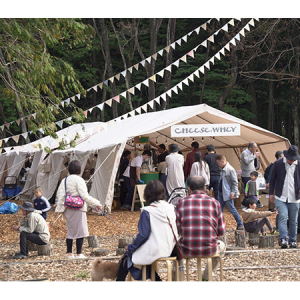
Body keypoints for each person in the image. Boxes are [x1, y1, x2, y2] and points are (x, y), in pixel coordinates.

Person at [116, 180, 179, 281]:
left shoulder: (147, 211)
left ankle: (119, 281)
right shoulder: (171, 208)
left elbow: (143, 235)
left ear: (147, 195)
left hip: (156, 249)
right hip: (170, 248)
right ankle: (157, 280)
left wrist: (132, 247)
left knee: (128, 256)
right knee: (146, 258)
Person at [175, 176, 226, 281]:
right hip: (210, 249)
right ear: (204, 189)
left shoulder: (181, 202)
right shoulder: (215, 203)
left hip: (186, 249)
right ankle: (206, 277)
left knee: (176, 252)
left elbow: (178, 230)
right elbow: (221, 231)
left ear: (188, 189)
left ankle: (178, 278)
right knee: (222, 246)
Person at [55, 160, 102, 258]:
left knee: (70, 230)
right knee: (80, 230)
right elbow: (85, 196)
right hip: (78, 207)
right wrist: (97, 203)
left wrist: (60, 207)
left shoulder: (65, 180)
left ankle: (69, 253)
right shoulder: (79, 180)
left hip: (67, 207)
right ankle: (79, 253)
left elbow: (60, 194)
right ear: (79, 169)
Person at [269, 145, 300, 249]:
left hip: (295, 197)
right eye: (290, 159)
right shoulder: (278, 164)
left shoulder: (299, 164)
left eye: (293, 159)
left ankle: (292, 240)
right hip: (280, 196)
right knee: (282, 217)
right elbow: (272, 179)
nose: (291, 161)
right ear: (286, 157)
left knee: (293, 220)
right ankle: (283, 239)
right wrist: (271, 194)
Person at [216, 155, 244, 230]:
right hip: (222, 192)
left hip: (227, 193)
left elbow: (235, 182)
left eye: (219, 163)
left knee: (232, 209)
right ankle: (219, 225)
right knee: (219, 209)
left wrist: (232, 192)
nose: (218, 165)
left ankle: (240, 224)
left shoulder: (230, 169)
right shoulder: (222, 169)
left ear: (223, 161)